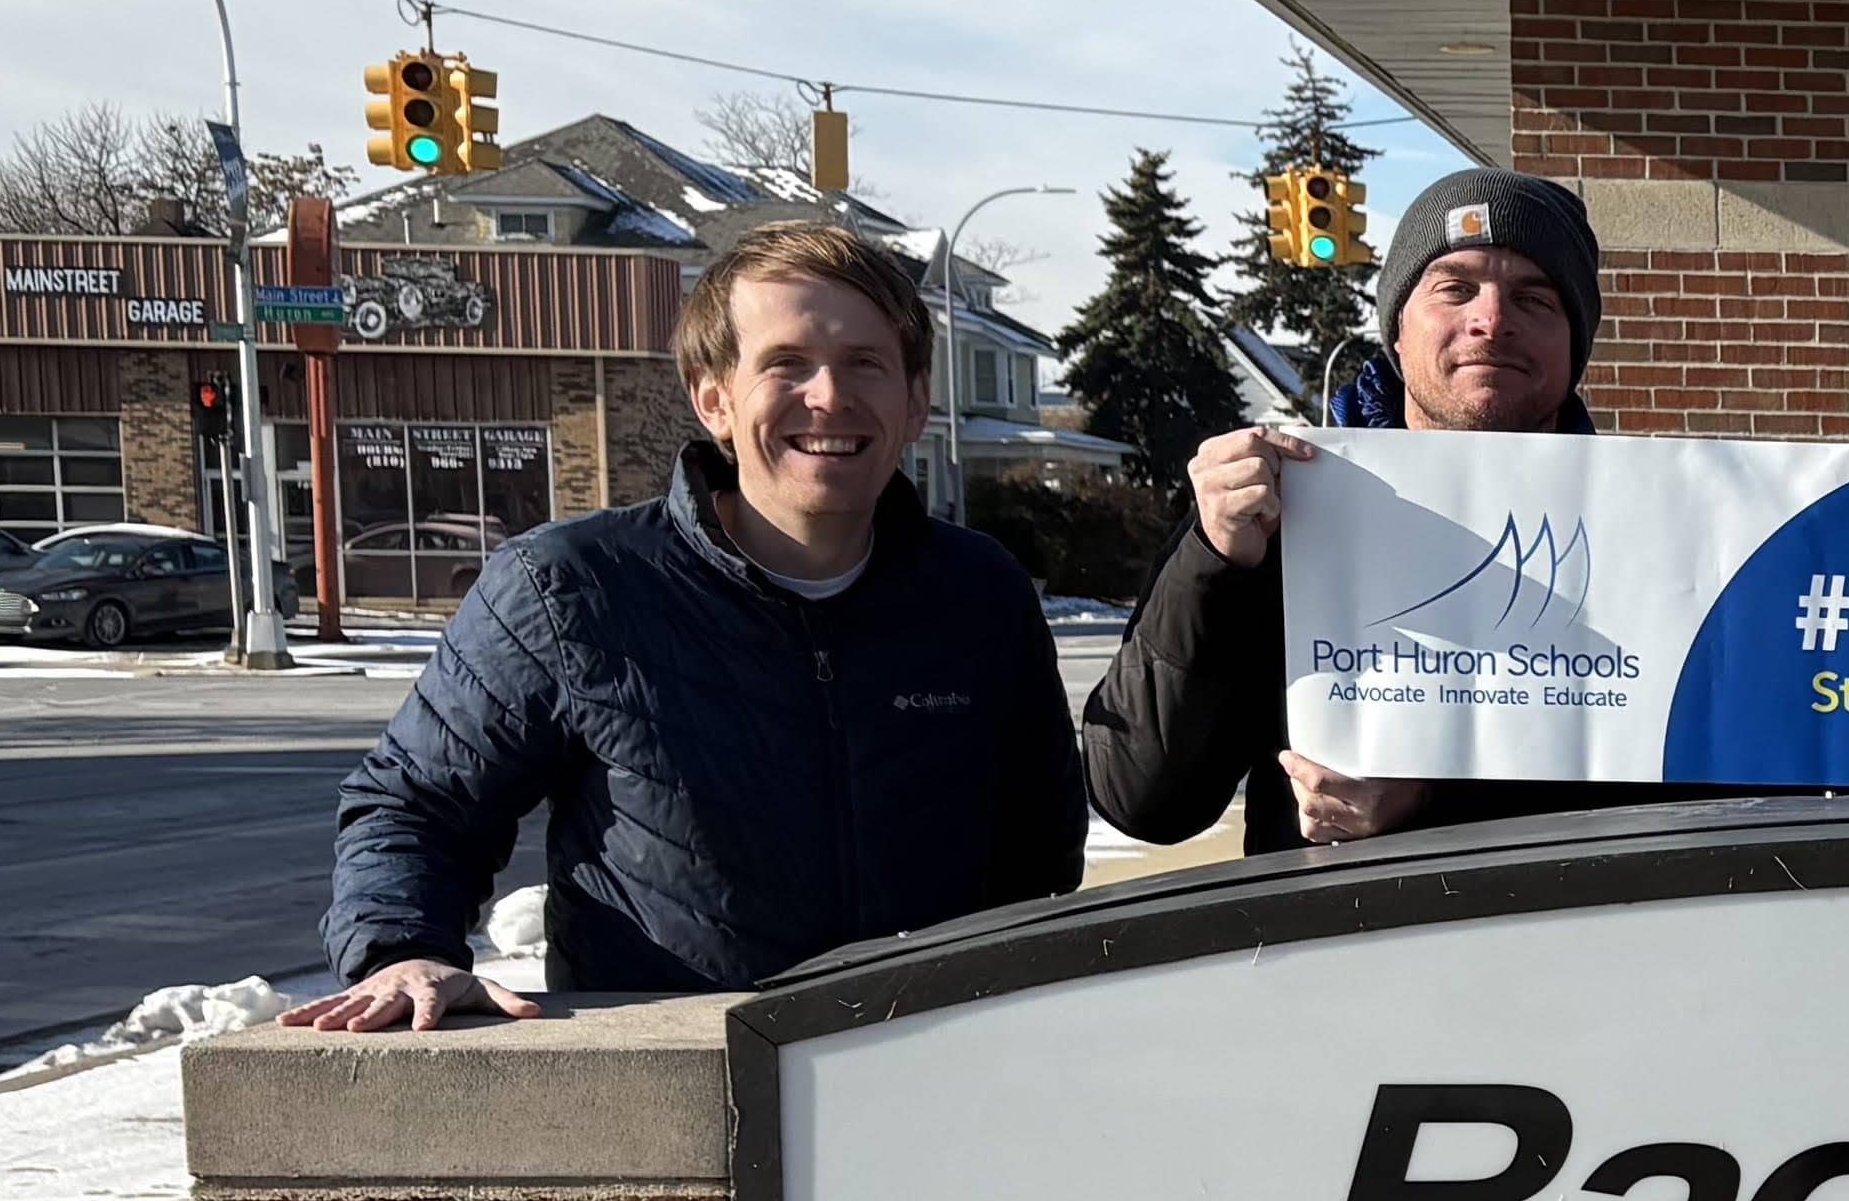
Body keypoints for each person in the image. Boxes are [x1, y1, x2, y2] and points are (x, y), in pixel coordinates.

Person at [292, 221, 1082, 1029]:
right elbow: (417, 806)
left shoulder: (980, 594)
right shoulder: (571, 586)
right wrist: (403, 949)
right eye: (786, 363)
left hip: (929, 1059)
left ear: (916, 402)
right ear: (714, 399)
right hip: (671, 1074)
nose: (828, 396)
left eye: (864, 363)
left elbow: (1039, 857)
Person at [1080, 169, 1613, 853]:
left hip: (1597, 918)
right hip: (1329, 919)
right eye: (1455, 288)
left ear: (1575, 346)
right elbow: (1143, 798)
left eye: (1533, 298)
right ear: (1398, 330)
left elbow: (1708, 792)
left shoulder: (1646, 530)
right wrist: (1213, 565)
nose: (1491, 319)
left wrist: (1433, 802)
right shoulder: (1276, 510)